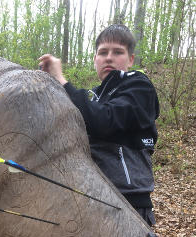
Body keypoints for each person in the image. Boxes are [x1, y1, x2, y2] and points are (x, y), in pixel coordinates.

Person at [38, 24, 160, 226]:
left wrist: (61, 80)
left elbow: (104, 121)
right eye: (103, 52)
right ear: (95, 60)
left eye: (118, 52)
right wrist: (46, 84)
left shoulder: (139, 85)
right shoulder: (91, 97)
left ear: (130, 59)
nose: (109, 57)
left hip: (128, 201)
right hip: (87, 196)